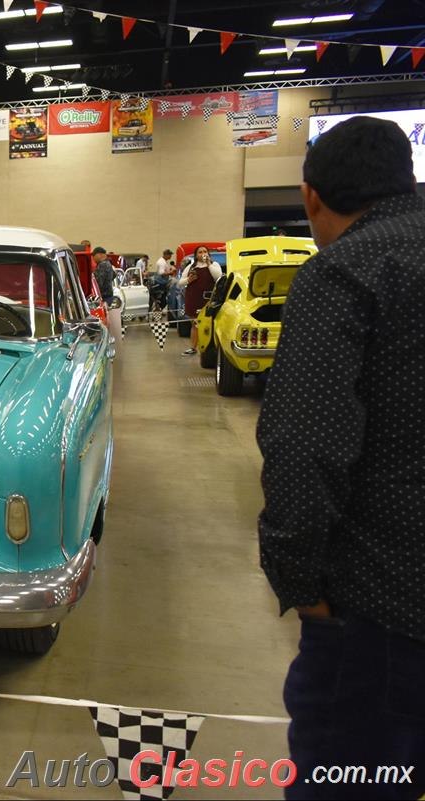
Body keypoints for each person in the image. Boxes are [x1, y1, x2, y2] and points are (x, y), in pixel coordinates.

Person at [256, 117, 425, 800]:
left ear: (311, 198)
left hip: (381, 606)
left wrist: (299, 582)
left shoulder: (344, 271)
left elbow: (303, 443)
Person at [178, 245, 219, 355]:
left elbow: (217, 277)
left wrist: (209, 263)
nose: (203, 254)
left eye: (205, 251)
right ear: (196, 255)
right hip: (193, 298)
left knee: (208, 324)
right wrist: (188, 279)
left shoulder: (214, 265)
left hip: (208, 300)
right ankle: (193, 347)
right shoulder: (191, 267)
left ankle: (208, 348)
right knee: (195, 323)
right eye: (200, 252)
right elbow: (180, 283)